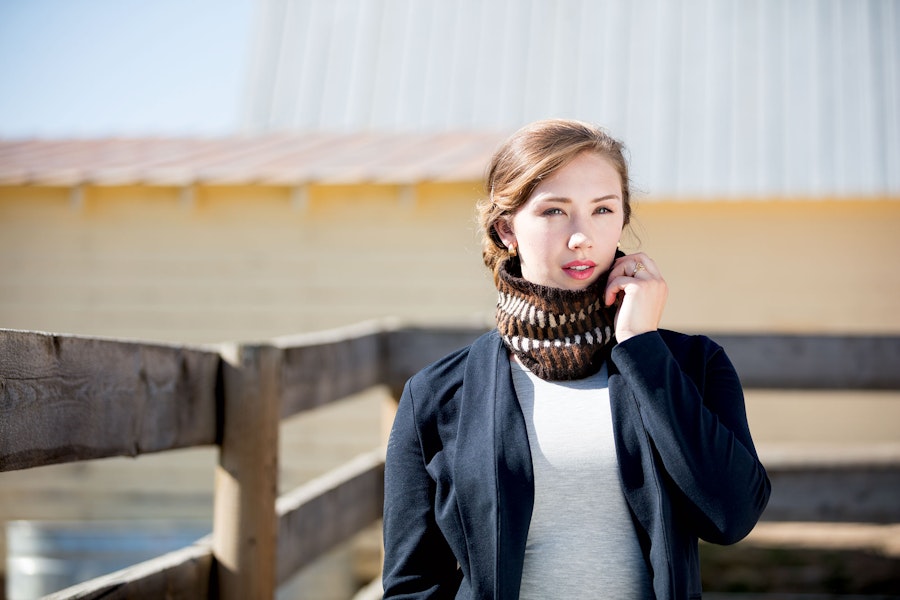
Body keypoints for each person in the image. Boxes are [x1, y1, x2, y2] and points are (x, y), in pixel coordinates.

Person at [382, 119, 770, 599]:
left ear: (622, 220)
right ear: (507, 229)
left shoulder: (693, 365)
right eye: (554, 211)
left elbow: (731, 517)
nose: (582, 236)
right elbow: (413, 583)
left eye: (602, 209)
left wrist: (641, 346)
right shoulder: (437, 395)